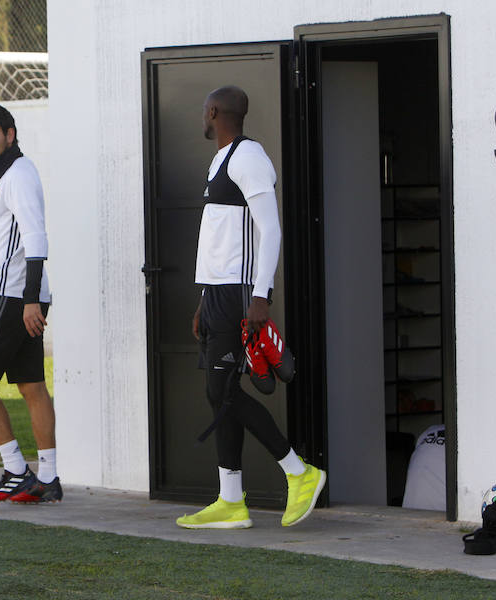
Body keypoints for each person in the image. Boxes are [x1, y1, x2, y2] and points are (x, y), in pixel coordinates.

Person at [176, 86, 326, 529]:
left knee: (223, 393)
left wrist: (261, 294)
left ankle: (300, 473)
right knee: (218, 393)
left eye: (204, 109)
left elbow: (271, 230)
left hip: (241, 293)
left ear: (215, 111)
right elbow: (222, 236)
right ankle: (230, 501)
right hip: (218, 293)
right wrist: (204, 298)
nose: (202, 115)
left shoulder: (248, 158)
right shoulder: (220, 159)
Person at [0, 104, 61, 505]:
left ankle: (16, 470)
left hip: (15, 298)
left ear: (10, 134)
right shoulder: (8, 176)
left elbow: (36, 239)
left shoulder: (18, 175)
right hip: (10, 294)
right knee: (32, 386)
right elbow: (6, 247)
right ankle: (48, 479)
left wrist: (30, 300)